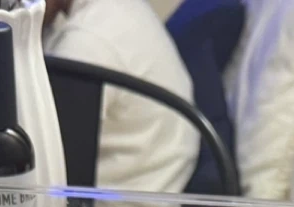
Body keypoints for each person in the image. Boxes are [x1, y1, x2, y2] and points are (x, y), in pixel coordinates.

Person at [43, 0, 198, 194]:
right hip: (158, 191)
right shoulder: (123, 10)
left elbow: (50, 161)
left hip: (116, 206)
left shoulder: (86, 43)